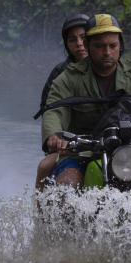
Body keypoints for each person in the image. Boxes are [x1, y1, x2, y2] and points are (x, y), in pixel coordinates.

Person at [41, 13, 131, 189]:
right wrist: (54, 136)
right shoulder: (68, 78)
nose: (107, 52)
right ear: (88, 46)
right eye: (99, 46)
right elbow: (54, 110)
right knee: (67, 184)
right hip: (82, 154)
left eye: (112, 46)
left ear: (120, 46)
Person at [34, 13, 90, 189]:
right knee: (44, 167)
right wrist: (56, 137)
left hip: (107, 140)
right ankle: (41, 215)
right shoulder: (61, 74)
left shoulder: (113, 69)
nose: (79, 44)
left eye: (83, 38)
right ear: (66, 44)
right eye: (73, 40)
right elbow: (49, 109)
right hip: (70, 144)